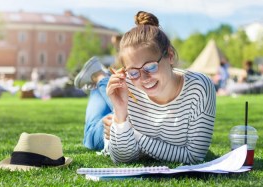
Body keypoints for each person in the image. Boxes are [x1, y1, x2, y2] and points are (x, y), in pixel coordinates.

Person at [75, 11, 216, 164]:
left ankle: (100, 76)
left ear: (170, 55)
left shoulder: (199, 88)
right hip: (118, 125)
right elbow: (123, 158)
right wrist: (121, 116)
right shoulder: (129, 83)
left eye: (150, 67)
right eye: (134, 72)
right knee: (90, 137)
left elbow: (194, 157)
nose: (144, 79)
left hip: (130, 125)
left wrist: (132, 133)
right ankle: (100, 77)